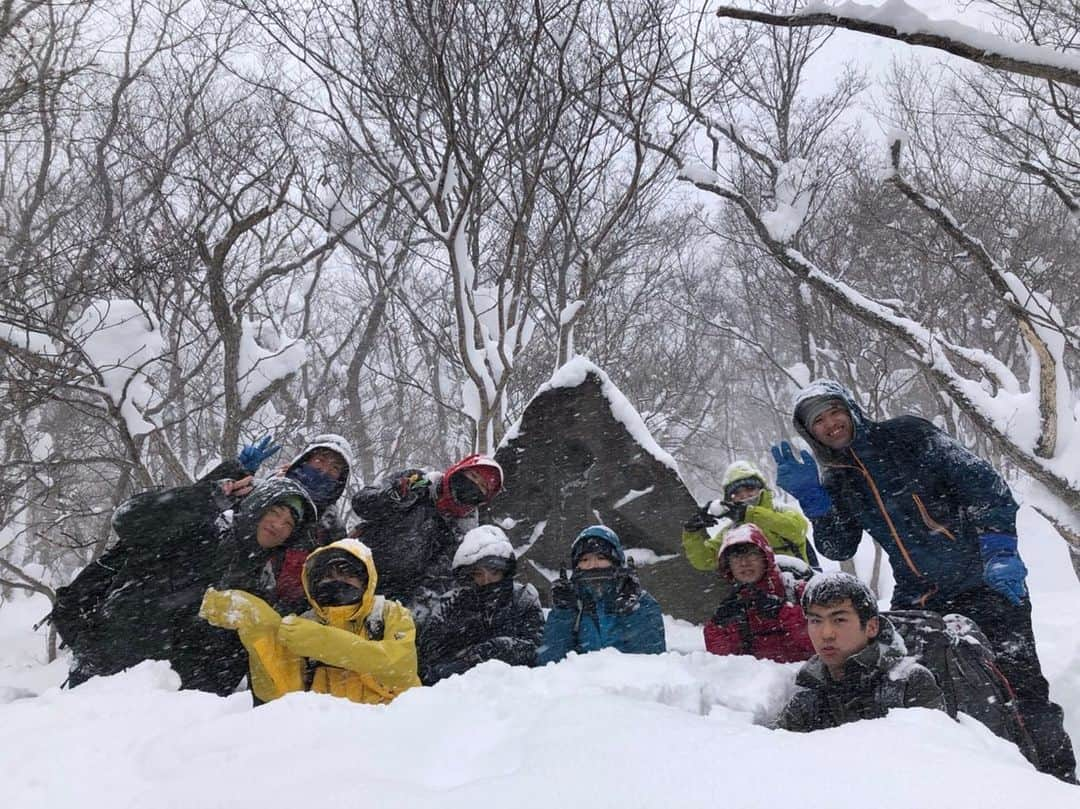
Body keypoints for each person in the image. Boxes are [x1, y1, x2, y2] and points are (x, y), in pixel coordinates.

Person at [772, 379, 1076, 782]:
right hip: (919, 599)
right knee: (936, 691)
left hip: (986, 582)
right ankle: (972, 781)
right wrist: (814, 499)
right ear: (811, 434)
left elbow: (987, 486)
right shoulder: (838, 480)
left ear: (850, 408)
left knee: (1021, 689)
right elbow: (838, 543)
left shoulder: (908, 437)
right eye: (819, 422)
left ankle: (1057, 782)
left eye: (834, 412)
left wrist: (1000, 550)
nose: (831, 425)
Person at [60, 474, 316, 694]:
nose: (278, 525)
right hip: (104, 674)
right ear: (258, 506)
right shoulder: (202, 530)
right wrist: (206, 498)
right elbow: (128, 520)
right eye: (275, 512)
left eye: (289, 524)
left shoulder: (260, 589)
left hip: (167, 706)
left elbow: (229, 662)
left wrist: (194, 702)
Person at [200, 538, 420, 705]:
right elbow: (280, 694)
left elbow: (399, 667)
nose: (337, 582)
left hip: (391, 731)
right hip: (322, 737)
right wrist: (261, 630)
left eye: (347, 574)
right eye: (328, 575)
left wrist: (322, 642)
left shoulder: (389, 613)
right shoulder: (303, 624)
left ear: (366, 580)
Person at [775, 572, 945, 732]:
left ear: (871, 627)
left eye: (839, 620)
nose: (826, 634)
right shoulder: (807, 690)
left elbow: (930, 754)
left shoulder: (908, 682)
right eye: (815, 620)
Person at [350, 454, 503, 621]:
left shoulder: (463, 539)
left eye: (482, 486)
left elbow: (438, 585)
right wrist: (389, 497)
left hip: (391, 605)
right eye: (473, 476)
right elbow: (361, 502)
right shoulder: (416, 481)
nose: (473, 485)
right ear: (460, 469)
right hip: (353, 572)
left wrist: (400, 615)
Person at [418, 525, 544, 684]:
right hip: (457, 692)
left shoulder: (523, 599)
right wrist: (465, 660)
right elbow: (427, 661)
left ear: (505, 572)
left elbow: (540, 651)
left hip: (515, 689)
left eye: (494, 572)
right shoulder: (449, 604)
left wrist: (497, 648)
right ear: (469, 576)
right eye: (478, 574)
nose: (487, 580)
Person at [538, 525, 666, 664]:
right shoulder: (573, 604)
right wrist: (564, 613)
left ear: (615, 561)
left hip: (630, 683)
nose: (593, 565)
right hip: (581, 683)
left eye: (600, 557)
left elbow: (653, 659)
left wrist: (633, 611)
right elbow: (549, 663)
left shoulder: (642, 601)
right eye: (585, 560)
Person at [703, 524, 815, 664]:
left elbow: (823, 643)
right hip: (760, 684)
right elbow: (722, 664)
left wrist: (783, 612)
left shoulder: (799, 592)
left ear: (765, 557)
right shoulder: (734, 605)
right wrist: (718, 626)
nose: (744, 563)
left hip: (806, 681)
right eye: (736, 557)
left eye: (751, 554)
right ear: (728, 565)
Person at [683, 460, 816, 572]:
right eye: (736, 493)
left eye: (750, 489)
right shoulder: (732, 531)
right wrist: (692, 533)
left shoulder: (782, 511)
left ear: (762, 489)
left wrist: (750, 514)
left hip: (797, 585)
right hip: (761, 595)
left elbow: (798, 530)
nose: (744, 496)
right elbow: (706, 560)